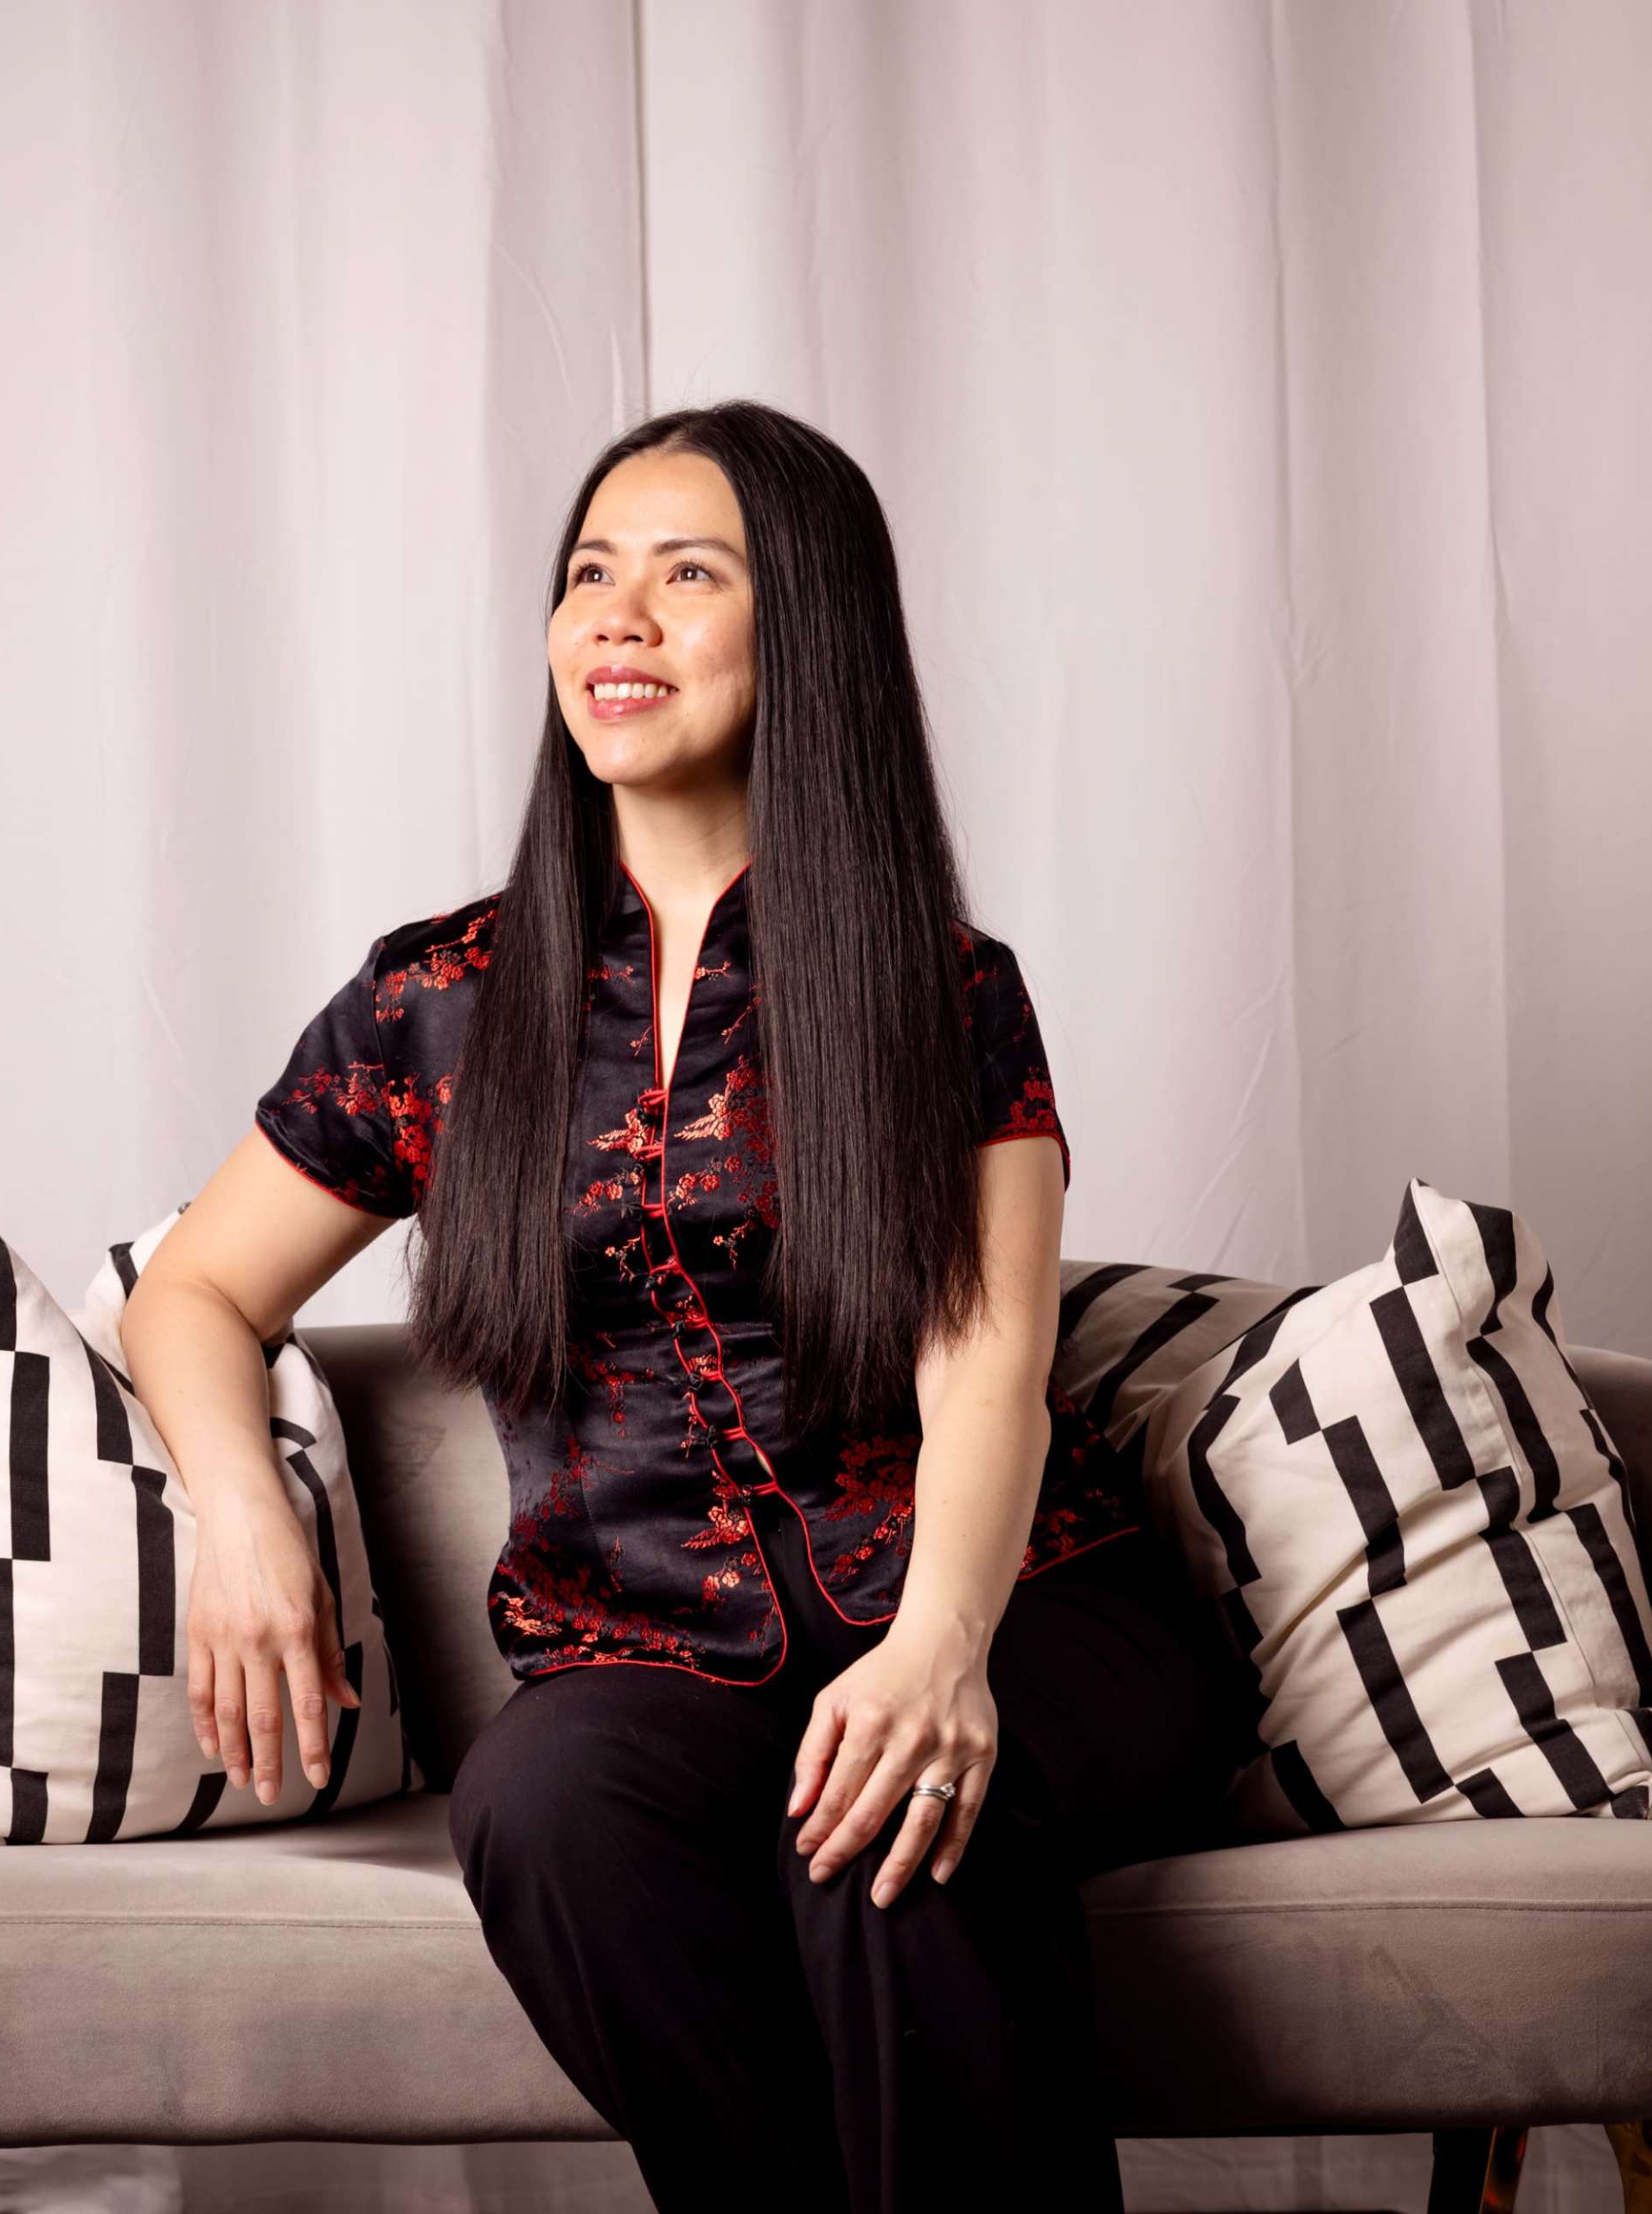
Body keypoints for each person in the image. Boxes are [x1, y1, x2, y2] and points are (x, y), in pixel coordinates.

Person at [118, 400, 1254, 2212]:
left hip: (1022, 1609)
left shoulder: (944, 989)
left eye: (687, 573)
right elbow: (191, 1288)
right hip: (645, 1648)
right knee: (543, 1812)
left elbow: (994, 1377)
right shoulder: (440, 1002)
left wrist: (939, 1649)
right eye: (589, 576)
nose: (617, 620)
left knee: (887, 1831)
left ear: (801, 627)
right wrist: (239, 1511)